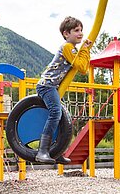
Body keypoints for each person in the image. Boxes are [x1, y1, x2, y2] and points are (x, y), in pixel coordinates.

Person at [35, 16, 92, 164]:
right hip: (47, 85)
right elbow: (81, 67)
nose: (80, 33)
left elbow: (84, 67)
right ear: (66, 33)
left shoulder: (72, 49)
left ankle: (56, 151)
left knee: (63, 117)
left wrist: (85, 50)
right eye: (76, 30)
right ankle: (42, 151)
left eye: (81, 30)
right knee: (55, 113)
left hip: (54, 86)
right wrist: (85, 49)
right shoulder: (67, 47)